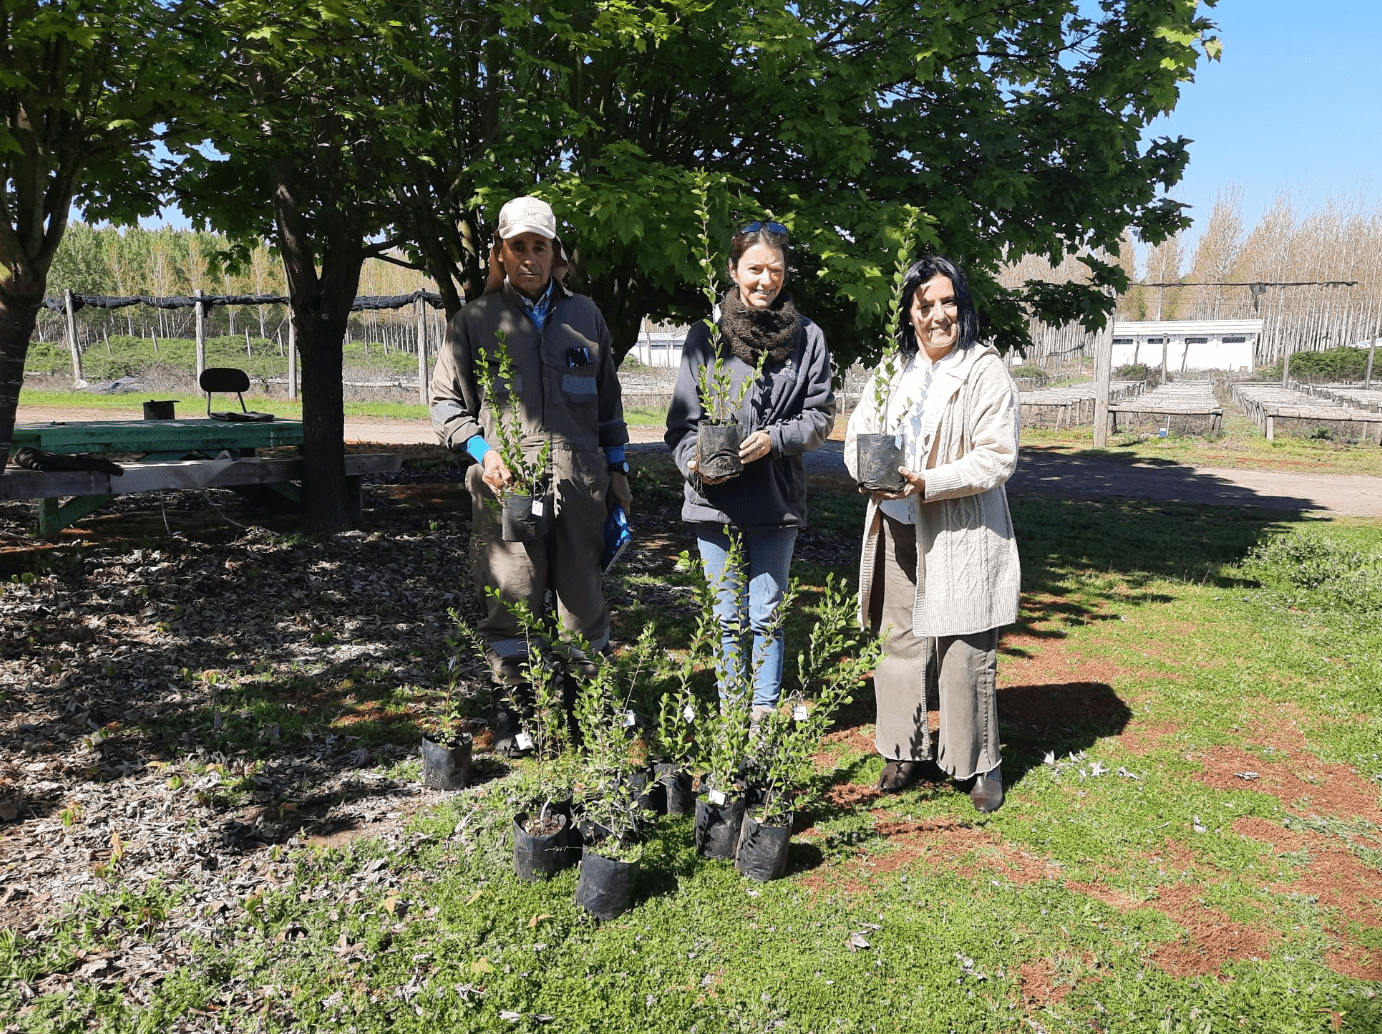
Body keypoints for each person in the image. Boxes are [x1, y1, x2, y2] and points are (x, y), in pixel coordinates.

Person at [430, 195, 632, 754]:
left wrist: (618, 471)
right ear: (499, 253)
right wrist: (480, 448)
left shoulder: (586, 317)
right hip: (506, 488)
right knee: (511, 599)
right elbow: (444, 403)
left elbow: (609, 404)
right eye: (516, 246)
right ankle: (517, 717)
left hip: (581, 487)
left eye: (538, 246)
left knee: (583, 600)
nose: (528, 257)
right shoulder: (473, 321)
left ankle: (586, 712)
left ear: (555, 253)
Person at [843, 254, 1020, 813]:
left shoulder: (982, 369)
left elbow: (998, 457)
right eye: (926, 305)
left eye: (948, 302)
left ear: (961, 305)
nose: (938, 315)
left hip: (959, 532)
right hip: (897, 526)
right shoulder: (893, 371)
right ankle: (903, 747)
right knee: (900, 642)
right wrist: (868, 477)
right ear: (910, 313)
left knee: (965, 647)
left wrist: (930, 482)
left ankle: (980, 761)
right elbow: (858, 435)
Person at [666, 220, 835, 728]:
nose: (766, 280)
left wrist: (774, 439)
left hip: (775, 498)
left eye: (776, 270)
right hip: (712, 501)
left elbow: (820, 416)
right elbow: (680, 427)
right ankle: (730, 711)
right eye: (755, 269)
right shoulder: (706, 336)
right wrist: (693, 463)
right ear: (734, 270)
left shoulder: (808, 338)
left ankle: (761, 713)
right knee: (726, 616)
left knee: (766, 612)